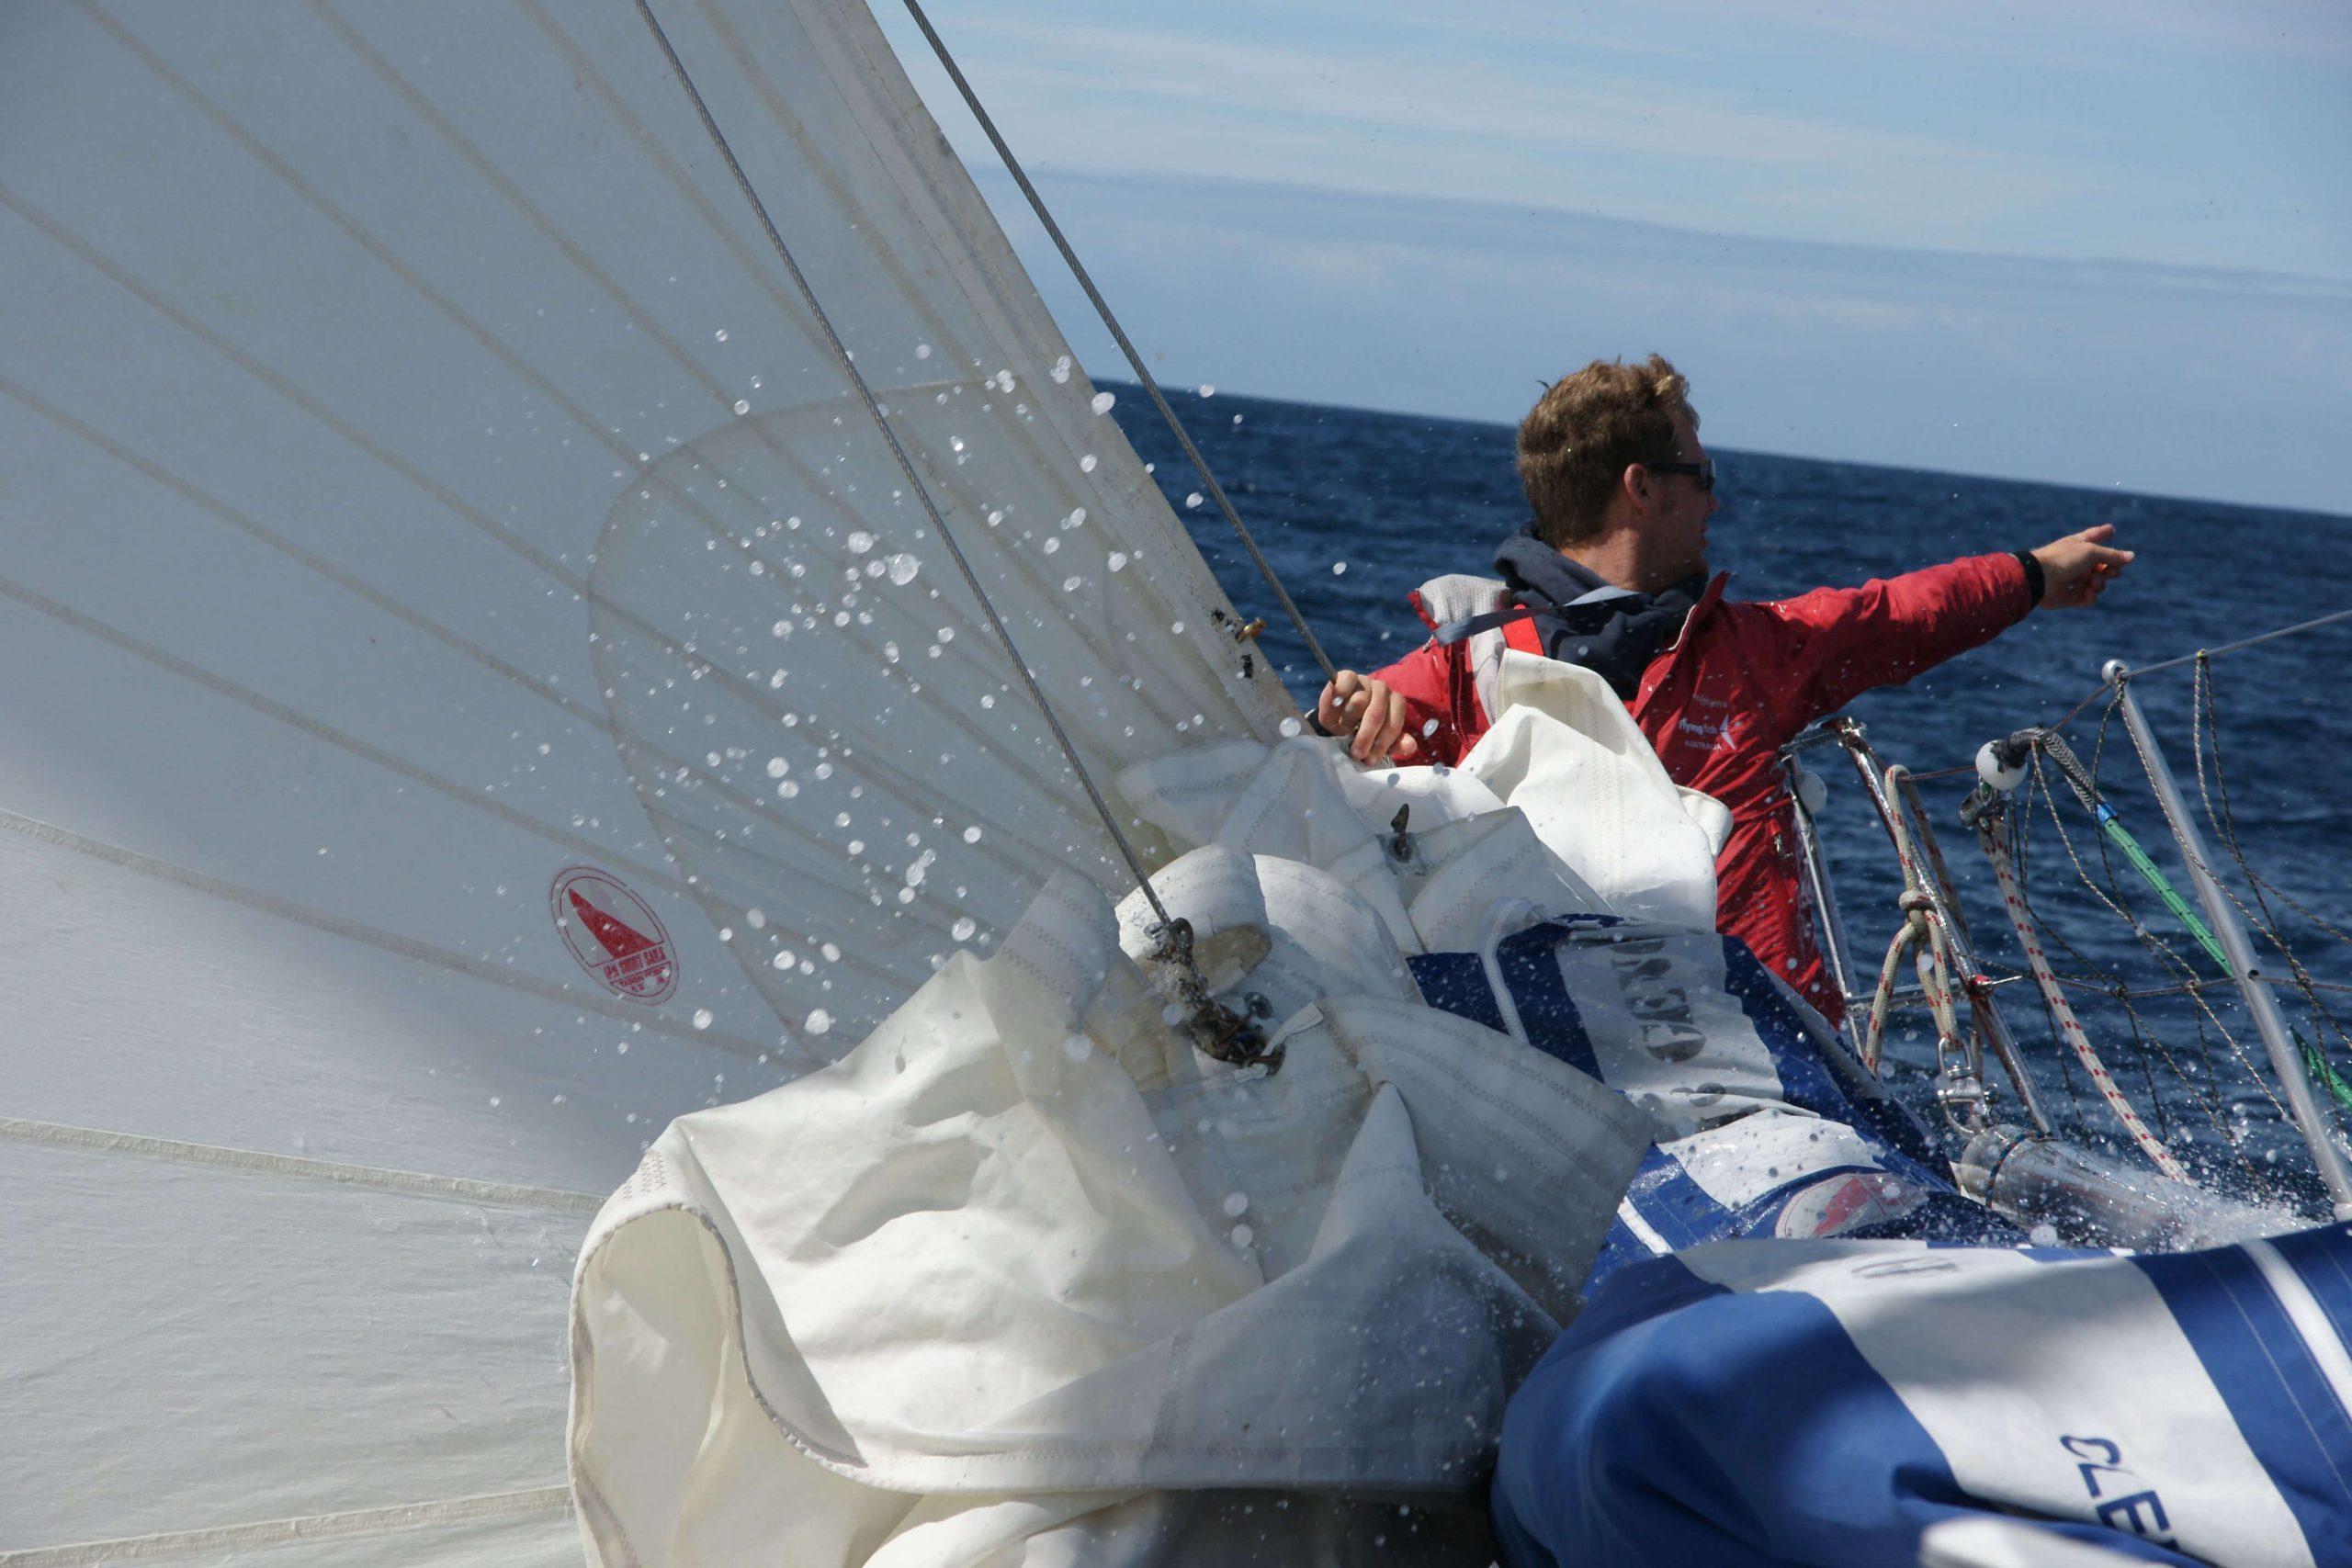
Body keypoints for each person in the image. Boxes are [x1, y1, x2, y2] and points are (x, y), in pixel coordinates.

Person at [1317, 355, 2132, 1022]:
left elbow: (1899, 617)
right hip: (1571, 1061)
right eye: (1702, 477)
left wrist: (2030, 576)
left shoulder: (1752, 651)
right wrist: (1347, 715)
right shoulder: (1465, 666)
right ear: (1643, 488)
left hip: (1778, 1060)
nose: (1716, 499)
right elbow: (1340, 753)